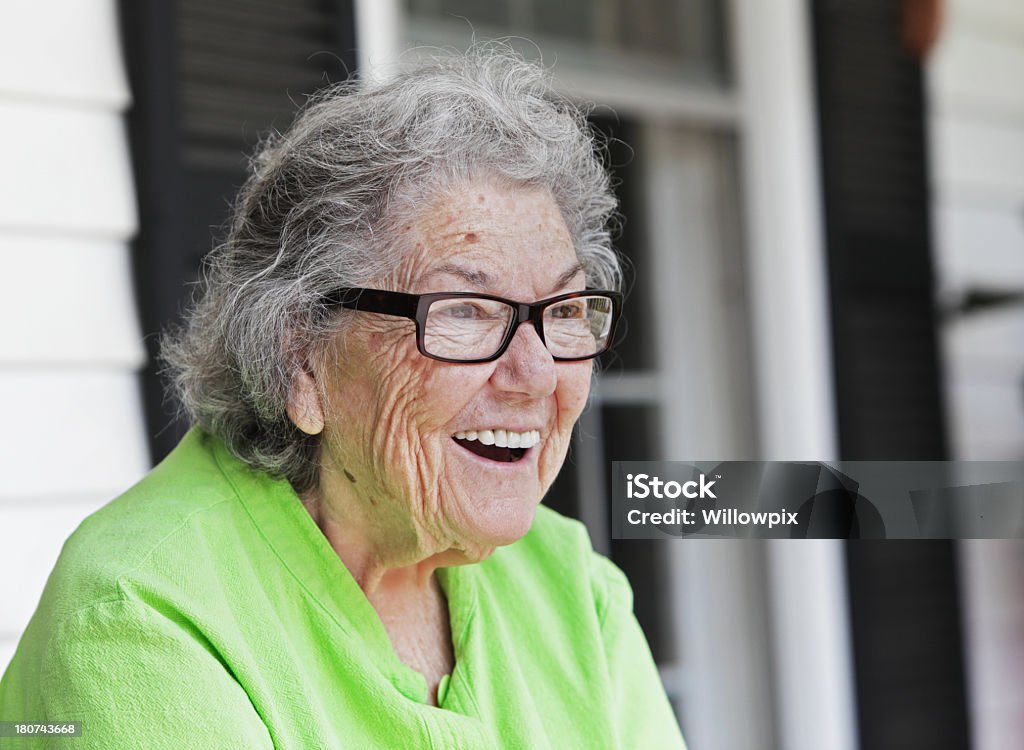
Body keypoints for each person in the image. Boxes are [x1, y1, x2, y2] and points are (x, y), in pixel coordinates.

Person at [0, 46, 685, 749]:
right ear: (302, 357)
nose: (538, 374)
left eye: (566, 310)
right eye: (465, 311)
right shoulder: (141, 611)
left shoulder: (569, 587)